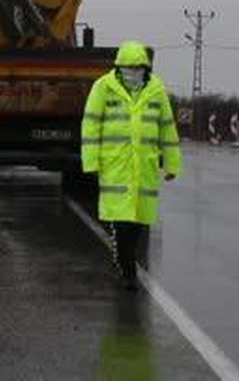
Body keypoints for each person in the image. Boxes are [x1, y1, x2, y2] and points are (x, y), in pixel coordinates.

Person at [81, 40, 183, 291]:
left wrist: (171, 164)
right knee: (120, 221)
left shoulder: (156, 90)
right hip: (115, 165)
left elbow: (167, 129)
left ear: (145, 68)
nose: (133, 72)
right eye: (128, 67)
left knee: (138, 221)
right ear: (119, 67)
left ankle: (127, 264)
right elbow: (91, 126)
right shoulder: (103, 88)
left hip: (144, 167)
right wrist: (91, 161)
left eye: (138, 67)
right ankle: (126, 269)